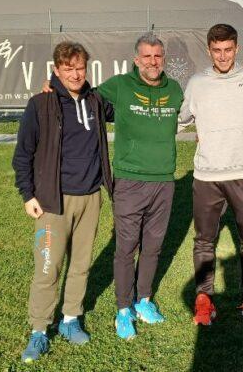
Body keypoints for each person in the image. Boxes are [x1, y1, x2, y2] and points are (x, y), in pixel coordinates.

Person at [12, 41, 113, 363]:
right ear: (56, 70)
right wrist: (28, 194)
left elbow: (123, 103)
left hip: (90, 198)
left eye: (79, 68)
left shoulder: (96, 101)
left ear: (87, 68)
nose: (74, 74)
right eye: (67, 69)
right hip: (53, 202)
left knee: (81, 266)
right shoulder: (40, 104)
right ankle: (39, 330)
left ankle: (71, 319)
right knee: (48, 268)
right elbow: (23, 153)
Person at [178, 24, 243, 327]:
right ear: (208, 50)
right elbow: (178, 120)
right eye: (217, 50)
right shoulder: (196, 82)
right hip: (207, 176)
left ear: (237, 49)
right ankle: (204, 300)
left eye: (228, 50)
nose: (223, 56)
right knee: (204, 241)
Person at [96, 33, 184, 340]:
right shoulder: (120, 86)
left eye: (157, 56)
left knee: (153, 246)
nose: (152, 62)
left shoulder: (174, 90)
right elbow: (83, 97)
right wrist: (53, 87)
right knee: (126, 247)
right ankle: (123, 310)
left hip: (163, 181)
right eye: (146, 56)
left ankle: (143, 300)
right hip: (130, 181)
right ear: (136, 59)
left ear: (163, 59)